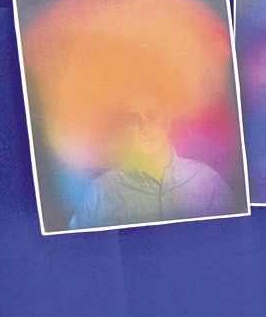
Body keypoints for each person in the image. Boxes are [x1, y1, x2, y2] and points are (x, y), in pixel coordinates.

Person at [69, 90, 234, 229]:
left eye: (152, 115)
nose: (145, 127)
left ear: (168, 121)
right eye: (133, 119)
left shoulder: (207, 181)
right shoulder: (100, 193)